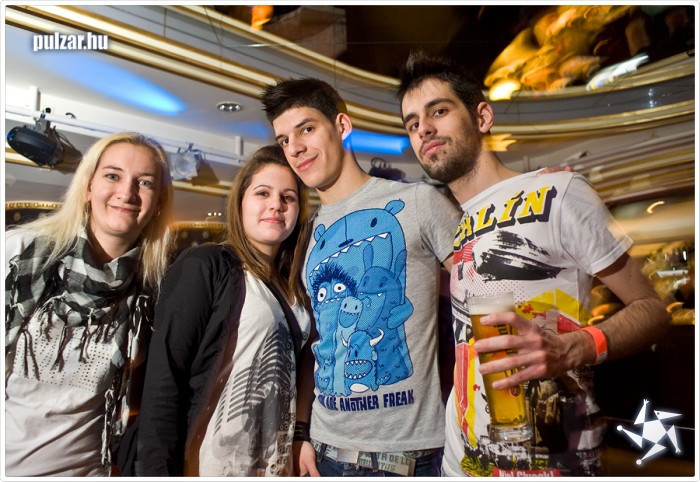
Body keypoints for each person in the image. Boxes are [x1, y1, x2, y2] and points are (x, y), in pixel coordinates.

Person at [396, 50, 670, 476]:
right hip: (462, 464)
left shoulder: (559, 192)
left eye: (439, 111)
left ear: (482, 117)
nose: (424, 129)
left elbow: (652, 310)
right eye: (412, 124)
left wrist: (575, 347)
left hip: (552, 460)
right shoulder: (455, 223)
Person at [260, 78, 461, 477]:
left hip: (405, 456)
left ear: (342, 126)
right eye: (284, 140)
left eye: (306, 129)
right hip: (324, 450)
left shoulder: (417, 202)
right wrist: (301, 431)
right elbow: (315, 343)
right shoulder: (303, 233)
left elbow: (481, 284)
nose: (294, 148)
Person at [135, 145, 313, 477]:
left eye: (288, 197)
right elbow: (164, 380)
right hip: (212, 465)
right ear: (241, 202)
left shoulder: (295, 283)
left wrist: (302, 434)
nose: (276, 204)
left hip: (274, 466)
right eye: (263, 193)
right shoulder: (206, 265)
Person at [4, 132, 174, 476]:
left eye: (144, 182)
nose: (127, 192)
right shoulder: (20, 254)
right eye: (113, 176)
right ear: (88, 188)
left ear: (158, 203)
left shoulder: (153, 289)